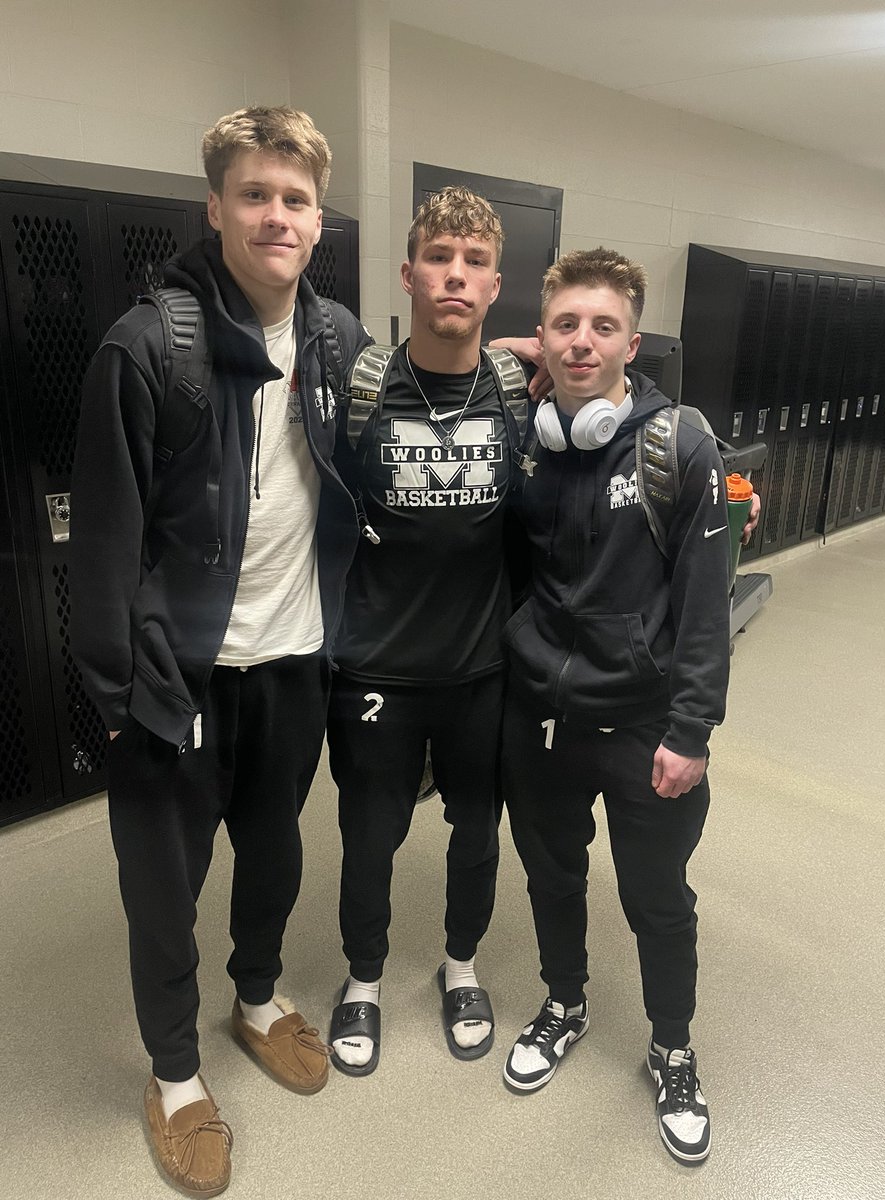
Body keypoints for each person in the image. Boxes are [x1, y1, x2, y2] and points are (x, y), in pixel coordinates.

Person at [70, 106, 371, 1197]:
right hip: (174, 682)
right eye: (255, 194)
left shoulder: (341, 341)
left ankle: (256, 998)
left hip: (294, 661)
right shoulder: (147, 346)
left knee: (276, 847)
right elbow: (101, 542)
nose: (276, 215)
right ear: (214, 205)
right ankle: (175, 1074)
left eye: (295, 199)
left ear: (319, 217)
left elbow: (383, 468)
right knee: (165, 886)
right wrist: (116, 700)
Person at [501, 247, 730, 1166]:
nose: (582, 342)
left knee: (656, 900)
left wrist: (692, 730)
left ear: (633, 343)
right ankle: (565, 1004)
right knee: (553, 880)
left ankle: (671, 1047)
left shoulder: (679, 445)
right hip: (542, 718)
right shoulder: (527, 434)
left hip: (645, 729)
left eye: (603, 327)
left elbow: (708, 600)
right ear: (543, 336)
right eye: (565, 324)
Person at [325, 187, 519, 1074]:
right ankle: (362, 980)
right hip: (376, 665)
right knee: (370, 835)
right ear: (408, 275)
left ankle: (461, 965)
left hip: (482, 668)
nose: (455, 275)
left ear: (494, 285)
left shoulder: (517, 393)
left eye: (474, 262)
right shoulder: (364, 389)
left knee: (477, 833)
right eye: (440, 257)